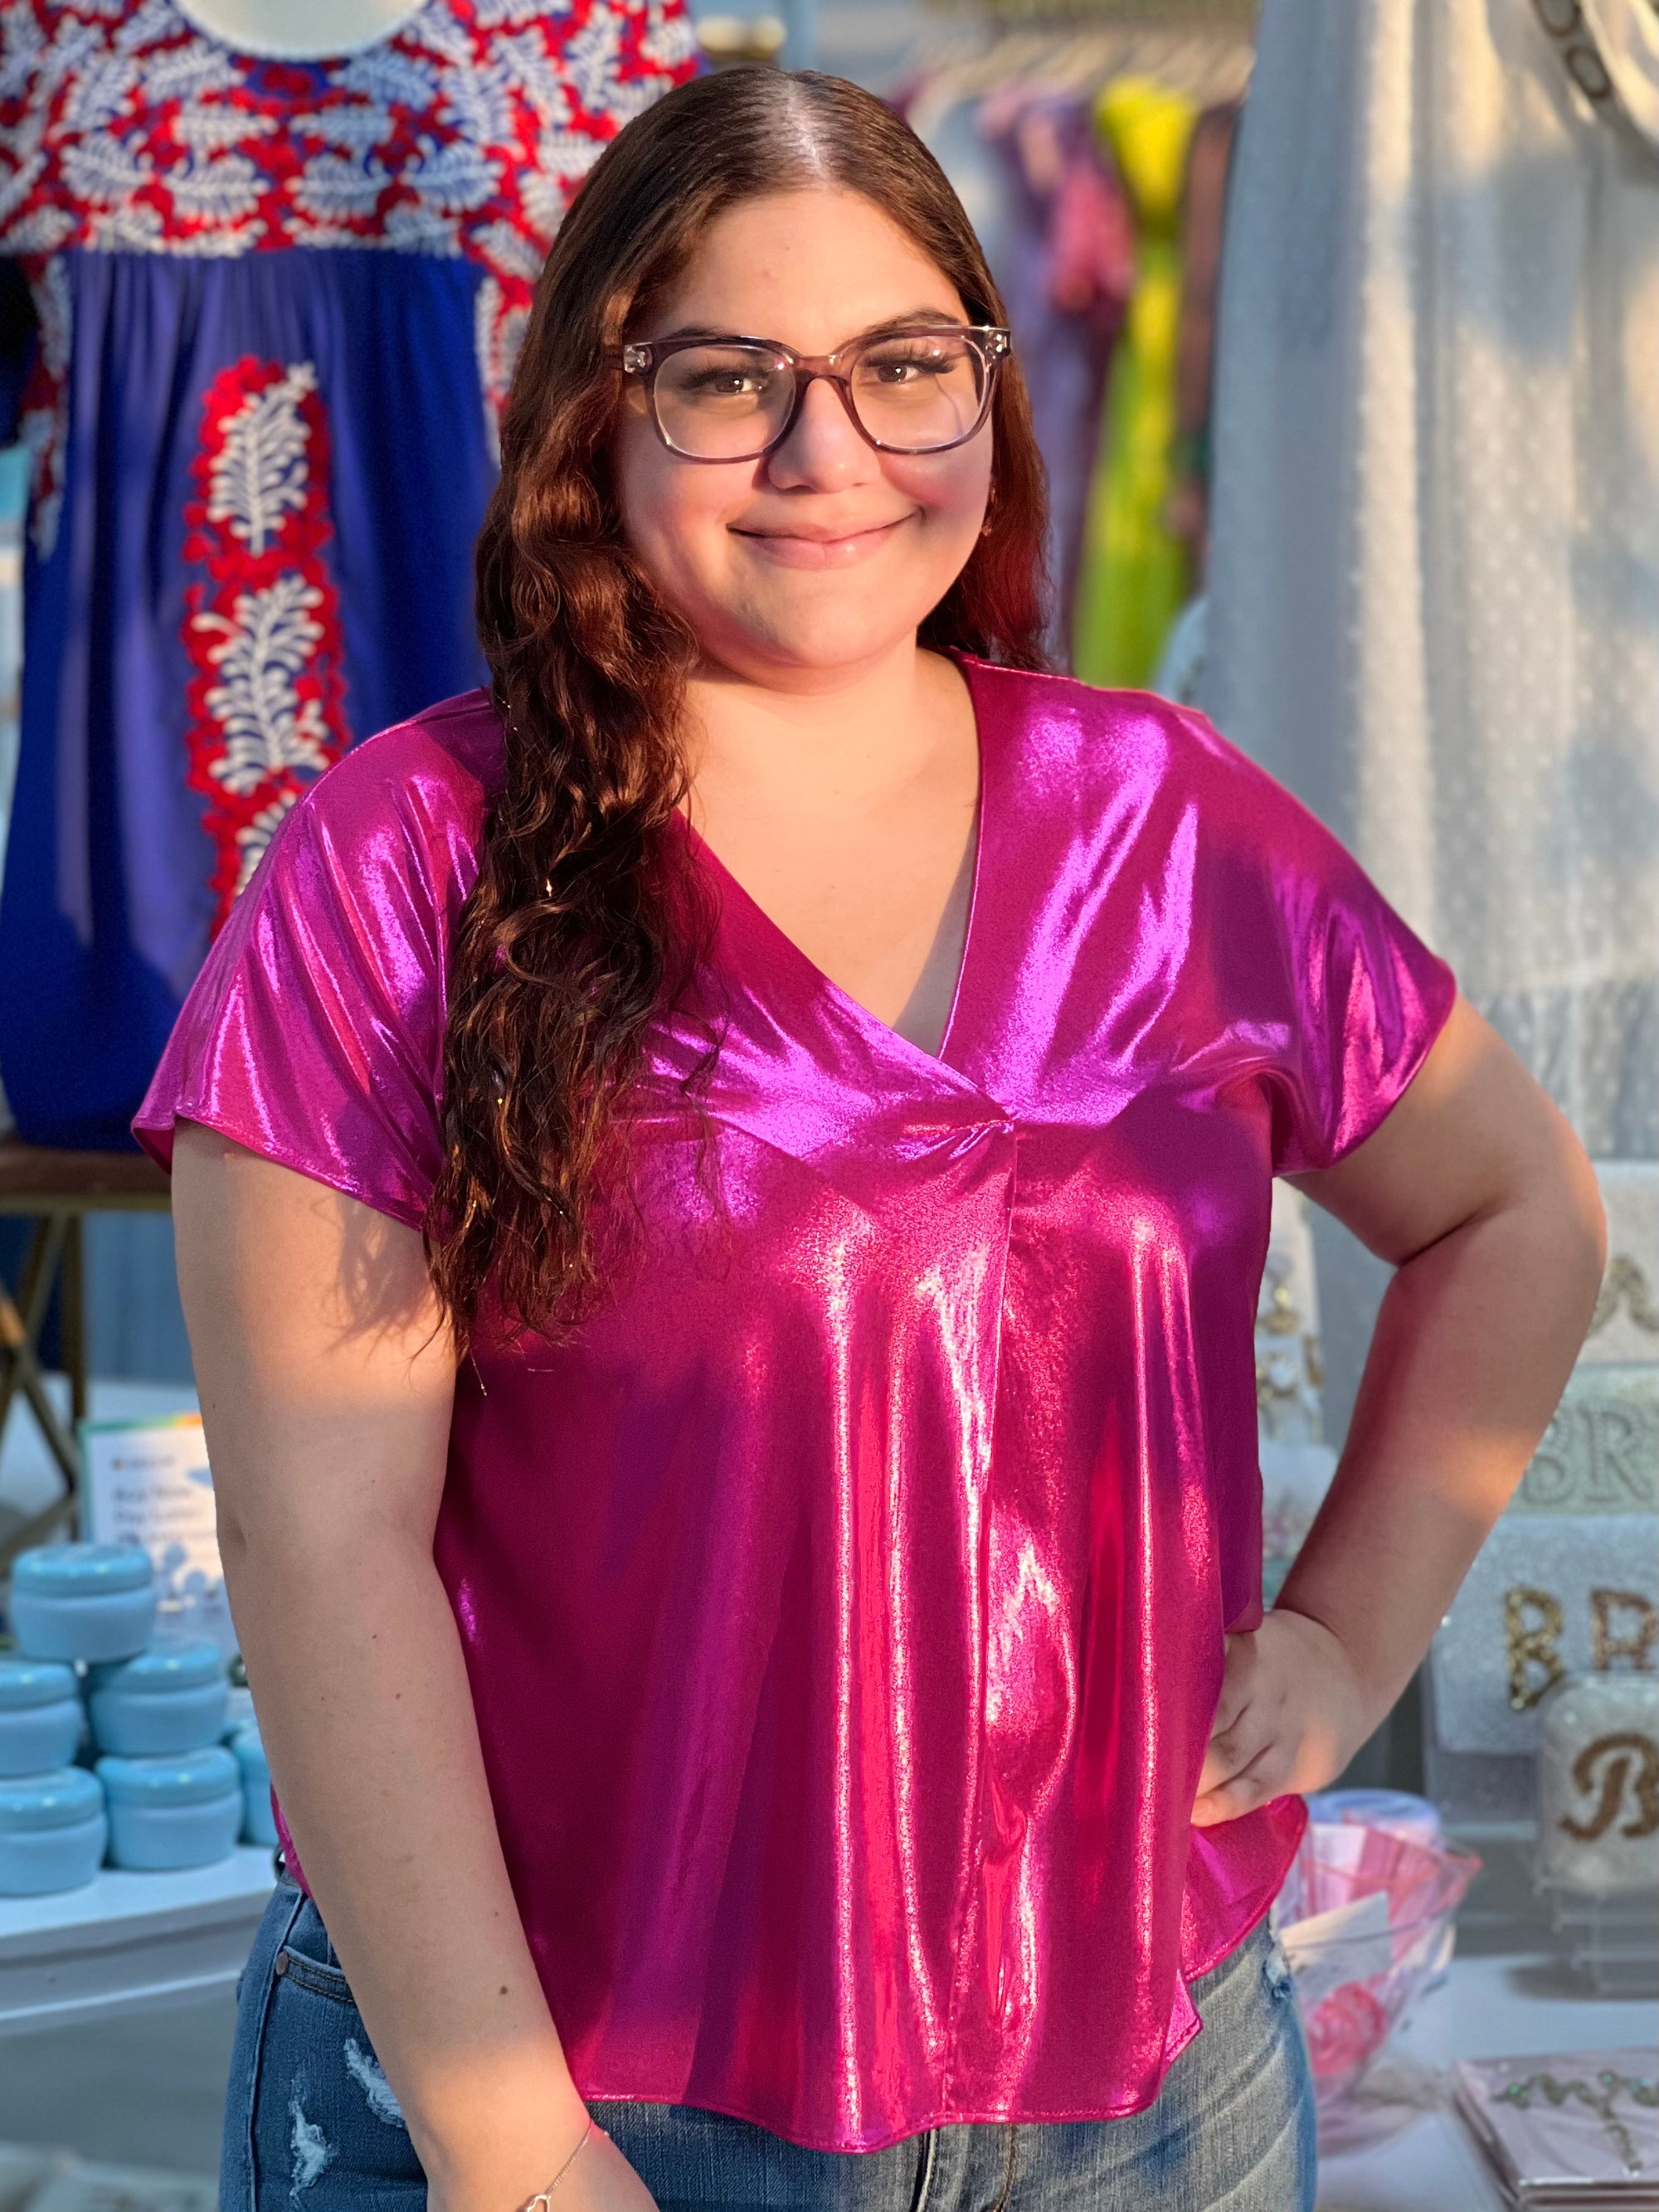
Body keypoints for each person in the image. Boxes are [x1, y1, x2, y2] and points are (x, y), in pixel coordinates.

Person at [138, 67, 1605, 2212]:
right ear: (595, 408)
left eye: (903, 367)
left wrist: (1346, 1637)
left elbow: (1514, 1208)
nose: (829, 458)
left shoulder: (1167, 817)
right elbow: (313, 1536)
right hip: (586, 2093)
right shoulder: (402, 866)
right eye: (733, 377)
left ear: (989, 397)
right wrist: (507, 2139)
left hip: (1149, 2096)